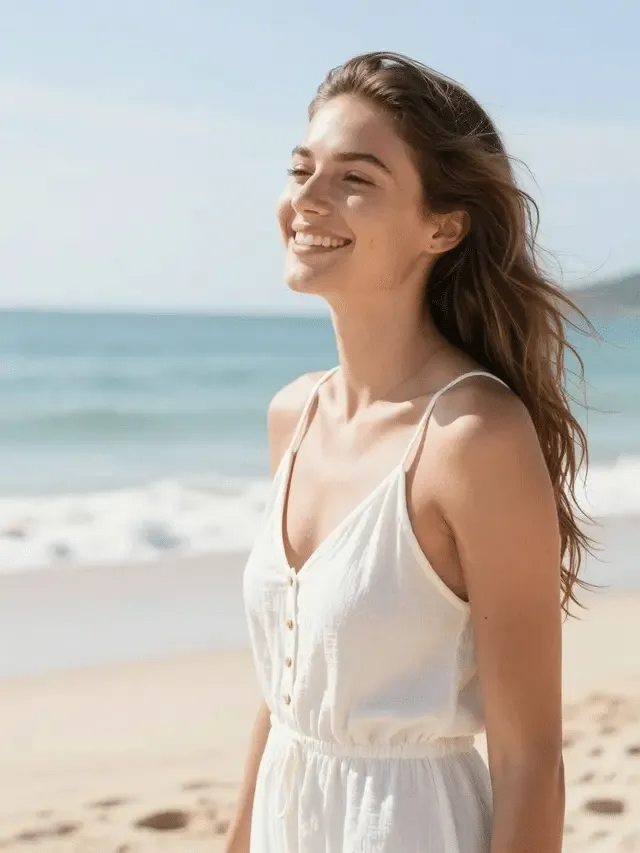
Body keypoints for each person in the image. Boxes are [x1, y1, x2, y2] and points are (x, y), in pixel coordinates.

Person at [225, 50, 595, 853]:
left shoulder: (473, 440)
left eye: (354, 178)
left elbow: (532, 759)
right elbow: (290, 688)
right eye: (301, 168)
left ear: (443, 225)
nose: (308, 201)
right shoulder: (292, 414)